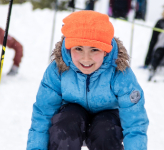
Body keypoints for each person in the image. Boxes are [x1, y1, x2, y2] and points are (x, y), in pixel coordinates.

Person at [27, 11, 149, 150]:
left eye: (94, 49)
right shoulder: (58, 70)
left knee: (105, 132)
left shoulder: (120, 72)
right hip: (70, 115)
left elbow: (135, 123)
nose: (86, 58)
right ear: (69, 48)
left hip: (108, 116)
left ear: (105, 51)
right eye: (78, 48)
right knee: (64, 127)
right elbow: (43, 115)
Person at [144, 9, 164, 80]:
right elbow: (153, 41)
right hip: (160, 48)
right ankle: (152, 70)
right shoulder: (160, 22)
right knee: (158, 55)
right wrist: (147, 61)